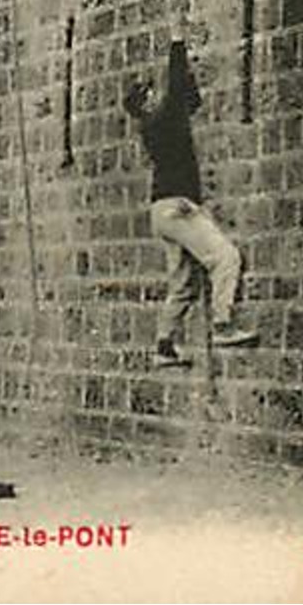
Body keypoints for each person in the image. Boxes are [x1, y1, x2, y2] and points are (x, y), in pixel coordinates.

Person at [124, 37, 260, 368]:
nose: (156, 94)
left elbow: (188, 99)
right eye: (150, 93)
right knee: (226, 258)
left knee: (183, 284)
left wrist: (184, 73)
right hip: (177, 205)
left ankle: (164, 346)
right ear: (146, 103)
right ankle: (224, 325)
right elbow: (175, 86)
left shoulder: (160, 124)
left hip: (161, 210)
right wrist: (176, 45)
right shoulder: (160, 120)